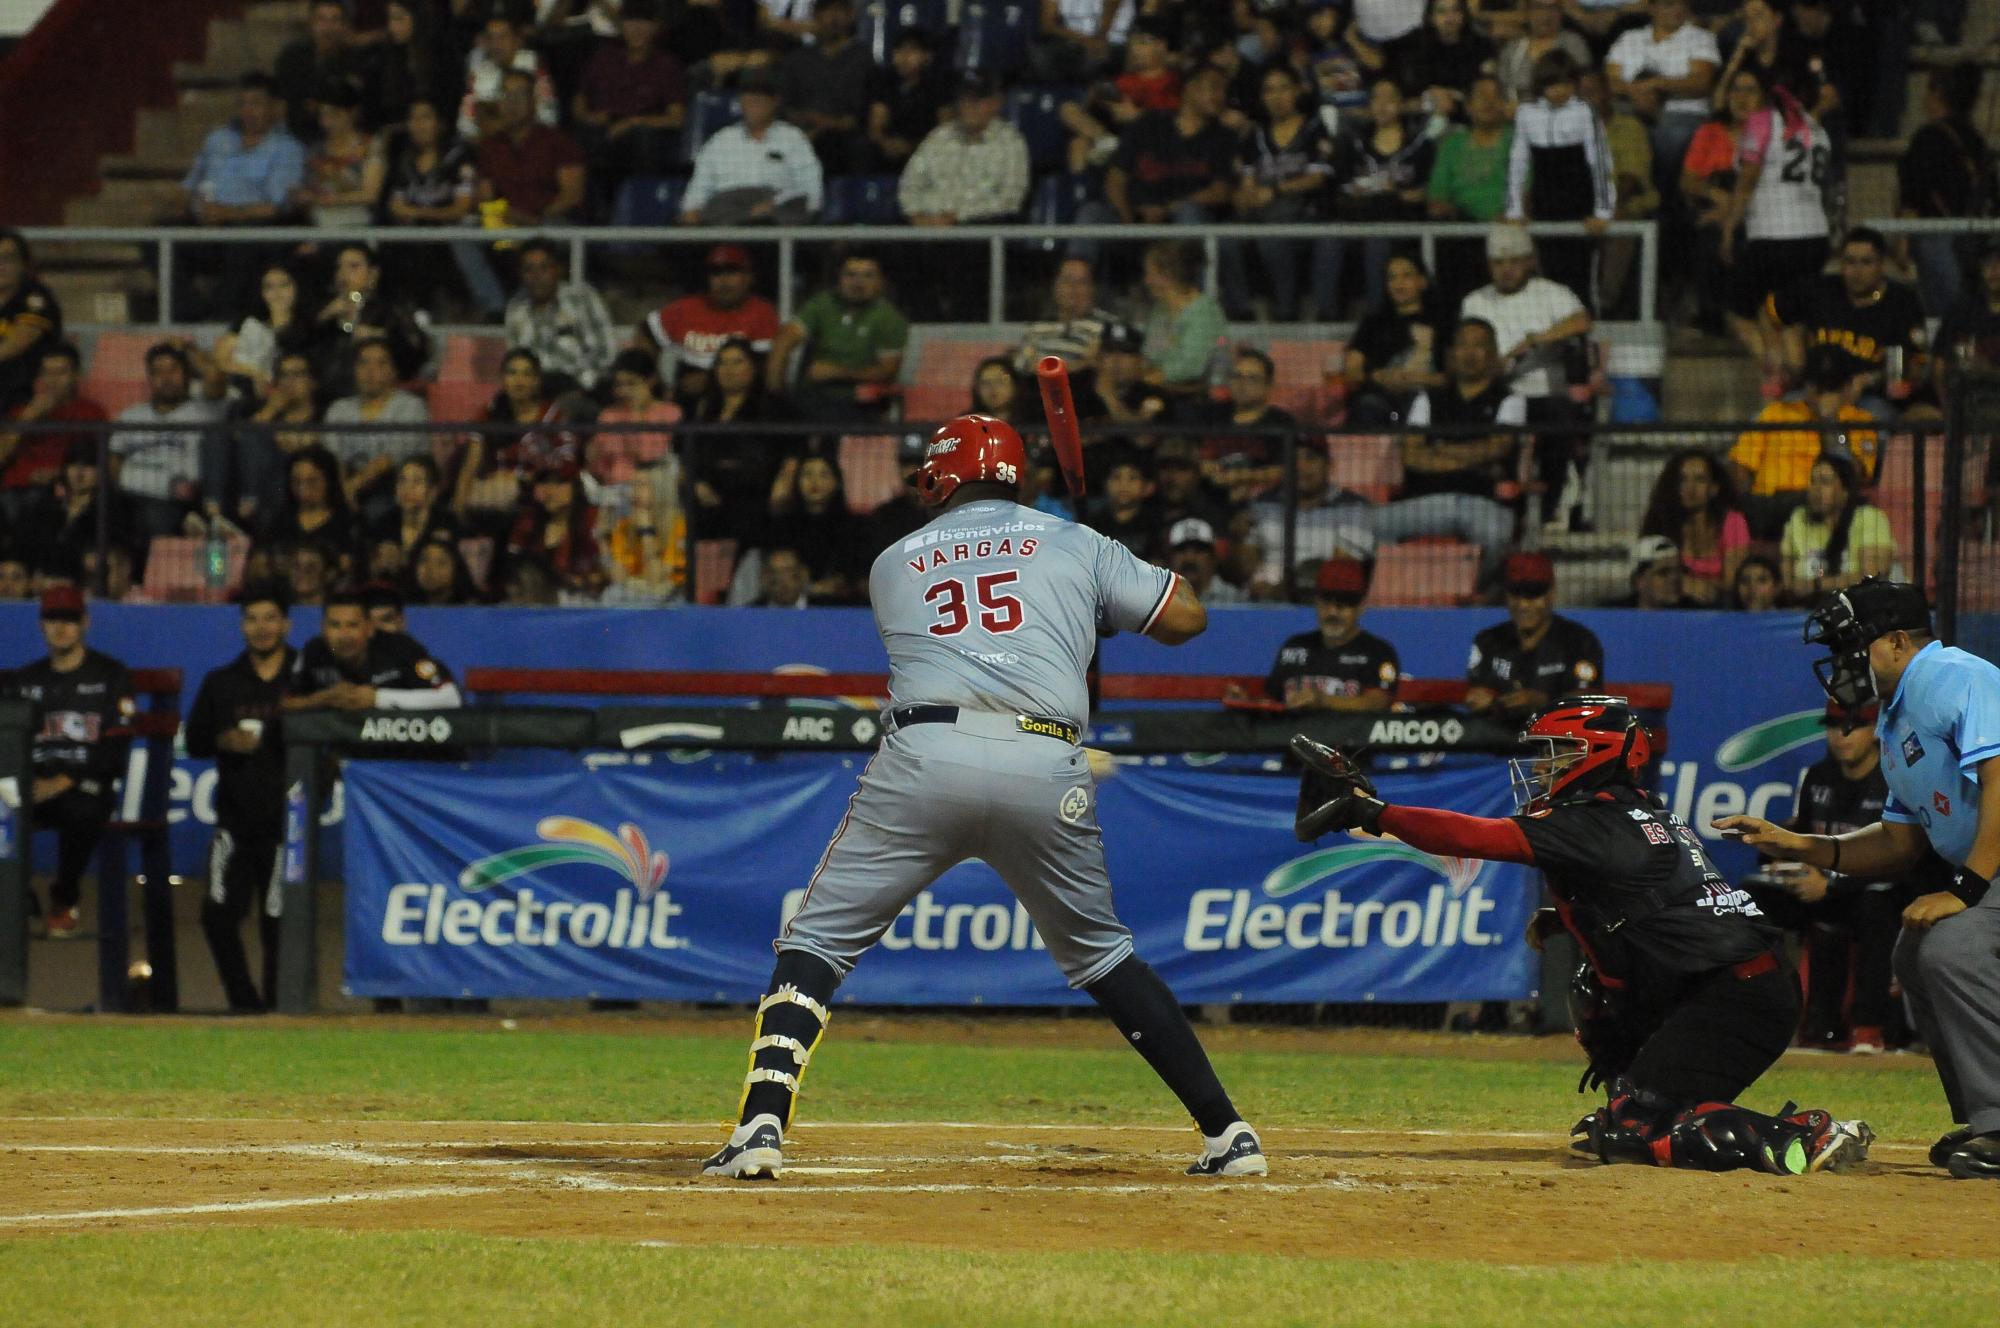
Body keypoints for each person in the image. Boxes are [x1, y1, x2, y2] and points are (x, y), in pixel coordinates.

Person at [700, 413, 1266, 1182]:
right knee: (1104, 956)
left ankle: (760, 1128)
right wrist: (1105, 579)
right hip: (1045, 756)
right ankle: (1228, 1133)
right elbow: (1187, 621)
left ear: (940, 475)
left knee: (819, 942)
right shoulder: (1075, 542)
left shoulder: (892, 560)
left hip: (926, 756)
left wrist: (1083, 588)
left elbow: (979, 611)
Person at [1293, 697, 1873, 1175]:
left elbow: (1475, 837)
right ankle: (1653, 1100)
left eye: (1560, 753)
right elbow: (1654, 910)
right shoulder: (1628, 811)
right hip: (1732, 986)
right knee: (1603, 1029)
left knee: (1633, 1130)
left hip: (1735, 996)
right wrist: (1568, 919)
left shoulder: (1597, 822)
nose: (1544, 767)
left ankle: (1802, 1136)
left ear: (1598, 756)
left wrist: (1374, 812)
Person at [1718, 579, 2000, 1179]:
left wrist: (1965, 890)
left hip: (1989, 870)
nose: (1845, 663)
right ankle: (1987, 1118)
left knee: (1952, 948)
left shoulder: (1958, 676)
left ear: (1897, 642)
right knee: (1915, 951)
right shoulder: (1896, 718)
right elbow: (1899, 843)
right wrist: (1798, 844)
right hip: (1987, 869)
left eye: (1854, 647)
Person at [1743, 700, 1912, 1052]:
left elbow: (1901, 859)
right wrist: (1780, 857)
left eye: (1854, 727)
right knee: (1750, 899)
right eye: (1835, 726)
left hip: (1873, 890)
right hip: (1818, 889)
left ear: (1876, 732)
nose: (1842, 736)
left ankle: (1870, 1026)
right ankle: (1758, 1015)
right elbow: (1805, 838)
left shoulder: (1895, 781)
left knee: (1875, 905)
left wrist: (1832, 885)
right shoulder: (1819, 777)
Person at [183, 585, 296, 1012]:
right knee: (216, 916)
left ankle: (281, 1010)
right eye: (252, 618)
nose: (261, 628)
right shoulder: (221, 682)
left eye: (270, 618)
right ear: (242, 625)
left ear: (286, 623)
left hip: (288, 825)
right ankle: (246, 1007)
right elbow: (194, 743)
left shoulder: (305, 678)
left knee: (279, 922)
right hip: (235, 823)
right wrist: (223, 738)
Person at [7, 585, 134, 939]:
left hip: (84, 785)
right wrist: (23, 784)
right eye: (53, 619)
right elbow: (9, 744)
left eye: (70, 620)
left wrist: (62, 782)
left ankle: (64, 896)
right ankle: (16, 894)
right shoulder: (26, 680)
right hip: (33, 786)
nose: (61, 628)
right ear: (41, 625)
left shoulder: (111, 674)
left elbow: (115, 748)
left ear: (85, 623)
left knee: (82, 810)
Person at [1378, 316, 1524, 584]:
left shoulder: (1510, 399)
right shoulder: (1427, 399)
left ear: (1493, 354)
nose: (1469, 353)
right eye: (1463, 345)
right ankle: (1395, 594)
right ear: (1451, 353)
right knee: (1364, 527)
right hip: (1424, 502)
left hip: (1480, 502)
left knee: (1496, 537)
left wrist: (1439, 449)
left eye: (1479, 346)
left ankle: (1474, 593)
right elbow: (1412, 456)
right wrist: (1474, 460)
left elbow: (1498, 448)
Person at [1717, 72, 1833, 377]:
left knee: (1739, 311)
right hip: (1815, 237)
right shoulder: (1818, 129)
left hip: (1774, 236)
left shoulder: (1763, 122)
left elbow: (1747, 181)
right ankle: (1798, 385)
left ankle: (1775, 373)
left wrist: (1729, 229)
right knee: (1788, 317)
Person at [176, 75, 308, 319]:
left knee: (245, 239)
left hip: (251, 230)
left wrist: (229, 213)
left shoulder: (287, 148)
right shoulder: (218, 139)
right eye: (243, 104)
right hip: (208, 226)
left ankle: (222, 316)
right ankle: (190, 312)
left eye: (256, 103)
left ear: (276, 107)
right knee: (161, 236)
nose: (248, 111)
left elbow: (276, 207)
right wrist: (195, 209)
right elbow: (190, 185)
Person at [1222, 63, 1339, 323]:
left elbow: (1318, 177)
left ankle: (1286, 310)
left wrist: (1275, 190)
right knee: (1226, 237)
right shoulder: (1256, 135)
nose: (1277, 97)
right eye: (1269, 91)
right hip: (1263, 214)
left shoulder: (1314, 129)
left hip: (1304, 213)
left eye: (1284, 88)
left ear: (1297, 91)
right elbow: (1248, 180)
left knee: (1272, 238)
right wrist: (1245, 195)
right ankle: (1242, 311)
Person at [1767, 227, 1929, 414]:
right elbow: (1769, 311)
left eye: (1866, 262)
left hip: (1870, 400)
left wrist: (1871, 379)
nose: (1857, 271)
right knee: (1770, 420)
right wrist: (1775, 351)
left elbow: (1917, 366)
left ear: (1882, 264)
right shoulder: (1820, 289)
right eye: (1850, 262)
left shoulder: (1902, 302)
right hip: (1813, 393)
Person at [1503, 51, 1613, 310]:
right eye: (1552, 85)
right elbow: (1518, 162)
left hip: (1580, 202)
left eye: (1565, 84)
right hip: (1545, 202)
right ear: (1541, 87)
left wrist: (1602, 211)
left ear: (1574, 85)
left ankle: (1588, 335)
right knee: (1550, 277)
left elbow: (1599, 162)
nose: (1558, 91)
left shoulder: (1584, 112)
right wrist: (1515, 209)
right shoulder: (1527, 114)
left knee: (1583, 277)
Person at [1729, 346, 1878, 534]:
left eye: (1831, 388)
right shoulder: (1776, 412)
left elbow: (1855, 476)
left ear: (1848, 387)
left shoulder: (1860, 421)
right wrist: (1745, 499)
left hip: (1822, 507)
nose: (1821, 395)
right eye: (1816, 386)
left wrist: (1830, 423)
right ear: (1805, 385)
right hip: (1772, 505)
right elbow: (1740, 465)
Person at [1604, 0, 1720, 217]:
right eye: (1668, 4)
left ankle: (1666, 206)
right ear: (1652, 8)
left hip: (1682, 113)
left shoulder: (1699, 38)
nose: (1677, 9)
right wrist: (1638, 92)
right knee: (1620, 132)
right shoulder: (1630, 39)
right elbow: (1610, 80)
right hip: (1631, 111)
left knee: (1670, 136)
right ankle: (1620, 204)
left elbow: (1701, 82)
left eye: (1681, 4)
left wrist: (1657, 85)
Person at [1897, 64, 1995, 319]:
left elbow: (1914, 195)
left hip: (1937, 238)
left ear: (1937, 93)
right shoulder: (1976, 140)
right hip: (1973, 240)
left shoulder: (1928, 138)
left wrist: (1903, 239)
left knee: (1946, 318)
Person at [765, 251, 907, 422]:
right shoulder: (823, 304)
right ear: (839, 278)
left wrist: (836, 372)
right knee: (771, 412)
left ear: (881, 282)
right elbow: (786, 338)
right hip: (813, 395)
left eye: (868, 276)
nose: (858, 282)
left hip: (859, 401)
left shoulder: (889, 317)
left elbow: (887, 371)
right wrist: (776, 391)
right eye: (850, 275)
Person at [109, 343, 228, 541]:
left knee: (155, 517)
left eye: (173, 370)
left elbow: (215, 379)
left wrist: (190, 350)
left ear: (187, 374)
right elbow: (113, 459)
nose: (166, 378)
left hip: (175, 503)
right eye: (158, 372)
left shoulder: (205, 411)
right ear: (150, 378)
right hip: (129, 498)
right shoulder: (132, 416)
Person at [687, 337, 800, 543]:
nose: (729, 369)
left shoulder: (773, 407)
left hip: (755, 496)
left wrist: (785, 479)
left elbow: (794, 446)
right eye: (722, 362)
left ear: (754, 367)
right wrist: (696, 482)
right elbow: (691, 453)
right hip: (709, 497)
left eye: (737, 362)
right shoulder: (705, 409)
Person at [639, 244, 782, 407]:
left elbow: (762, 367)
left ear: (749, 277)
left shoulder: (762, 312)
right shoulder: (685, 308)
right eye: (716, 274)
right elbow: (645, 333)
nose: (723, 280)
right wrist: (654, 379)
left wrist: (712, 380)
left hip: (739, 396)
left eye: (731, 272)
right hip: (683, 394)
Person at [1464, 551, 1603, 717]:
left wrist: (1542, 703)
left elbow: (1586, 704)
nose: (1523, 605)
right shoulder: (1488, 641)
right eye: (1516, 593)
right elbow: (1478, 693)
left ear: (1551, 593)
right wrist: (1485, 700)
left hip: (1556, 737)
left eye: (1534, 594)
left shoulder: (1579, 642)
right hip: (1497, 737)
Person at [679, 67, 823, 225]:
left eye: (760, 98)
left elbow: (811, 192)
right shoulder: (720, 140)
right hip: (727, 216)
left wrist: (775, 205)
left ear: (775, 101)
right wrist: (692, 210)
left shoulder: (793, 138)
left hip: (775, 219)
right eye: (748, 97)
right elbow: (698, 191)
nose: (753, 103)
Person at [571, 1, 687, 196]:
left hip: (640, 137)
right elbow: (580, 99)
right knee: (584, 138)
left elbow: (677, 118)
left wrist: (633, 123)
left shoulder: (666, 65)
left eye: (644, 23)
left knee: (642, 139)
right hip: (601, 131)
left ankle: (641, 203)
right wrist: (587, 117)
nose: (637, 29)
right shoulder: (605, 57)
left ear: (655, 26)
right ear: (622, 25)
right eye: (631, 22)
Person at [285, 588, 462, 713]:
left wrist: (377, 699)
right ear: (323, 628)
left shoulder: (400, 647)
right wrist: (322, 699)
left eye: (353, 625)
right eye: (335, 625)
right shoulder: (316, 651)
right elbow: (286, 702)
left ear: (369, 629)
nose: (344, 635)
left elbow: (450, 697)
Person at [1426, 75, 1517, 309]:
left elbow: (1525, 194)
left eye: (1495, 96)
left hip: (1507, 233)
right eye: (1481, 97)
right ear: (1468, 106)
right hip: (1463, 235)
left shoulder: (1518, 142)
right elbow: (1437, 201)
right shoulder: (1451, 145)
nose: (1488, 102)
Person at [1264, 557, 1399, 711]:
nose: (1333, 612)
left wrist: (1323, 701)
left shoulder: (1378, 652)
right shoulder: (1294, 646)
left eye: (1342, 605)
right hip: (1294, 734)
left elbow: (1377, 703)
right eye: (1326, 603)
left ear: (1361, 607)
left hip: (1352, 735)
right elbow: (1271, 700)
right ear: (1316, 602)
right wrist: (1244, 699)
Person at [1246, 441, 1377, 599]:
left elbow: (1341, 570)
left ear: (1329, 465)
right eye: (1293, 459)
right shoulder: (1263, 503)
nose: (1300, 466)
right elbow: (1245, 567)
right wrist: (1239, 539)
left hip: (1324, 599)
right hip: (1264, 599)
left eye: (1311, 458)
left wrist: (1284, 590)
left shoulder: (1353, 507)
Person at [898, 73, 1032, 227]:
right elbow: (909, 186)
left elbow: (1009, 200)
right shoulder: (938, 137)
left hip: (979, 232)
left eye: (978, 99)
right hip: (927, 228)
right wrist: (917, 216)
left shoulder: (1011, 142)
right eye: (965, 99)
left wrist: (957, 217)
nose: (970, 105)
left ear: (996, 103)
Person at [308, 243, 431, 401]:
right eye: (340, 267)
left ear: (373, 274)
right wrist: (322, 318)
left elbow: (416, 354)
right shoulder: (321, 310)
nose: (343, 273)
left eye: (353, 266)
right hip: (327, 395)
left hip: (382, 395)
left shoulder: (392, 309)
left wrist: (381, 337)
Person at [321, 338, 431, 514]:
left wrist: (350, 489)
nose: (370, 371)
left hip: (394, 486)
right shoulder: (339, 409)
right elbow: (334, 458)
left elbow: (390, 459)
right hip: (346, 486)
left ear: (394, 371)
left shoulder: (411, 407)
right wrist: (342, 493)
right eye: (363, 363)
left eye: (381, 364)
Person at [1, 343, 105, 527]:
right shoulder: (21, 412)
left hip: (66, 490)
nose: (53, 380)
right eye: (47, 373)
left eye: (61, 372)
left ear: (75, 375)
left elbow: (96, 461)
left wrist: (59, 474)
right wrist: (28, 418)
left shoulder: (91, 412)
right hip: (17, 489)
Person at [1344, 253, 1451, 427]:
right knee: (1367, 407)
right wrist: (1377, 377)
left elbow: (1453, 376)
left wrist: (1416, 379)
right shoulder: (1373, 323)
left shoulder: (1443, 322)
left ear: (1422, 281)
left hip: (1428, 398)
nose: (1398, 284)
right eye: (1392, 277)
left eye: (1406, 276)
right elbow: (1352, 370)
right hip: (1381, 401)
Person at [504, 240, 618, 396]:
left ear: (558, 269)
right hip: (538, 392)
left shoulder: (582, 298)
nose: (536, 276)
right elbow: (517, 360)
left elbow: (606, 354)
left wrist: (582, 388)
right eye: (529, 269)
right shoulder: (516, 307)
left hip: (584, 389)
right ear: (520, 274)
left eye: (544, 268)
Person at [476, 69, 588, 228]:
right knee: (465, 231)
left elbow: (571, 197)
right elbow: (485, 195)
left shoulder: (560, 142)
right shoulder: (490, 146)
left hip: (547, 223)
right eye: (506, 95)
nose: (511, 103)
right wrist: (504, 216)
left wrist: (534, 221)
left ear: (534, 102)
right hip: (506, 224)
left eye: (519, 96)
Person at [1779, 454, 1896, 602]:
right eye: (1813, 481)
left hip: (1864, 608)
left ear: (1845, 491)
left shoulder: (1869, 518)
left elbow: (1871, 578)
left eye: (1825, 482)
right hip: (1808, 609)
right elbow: (1788, 583)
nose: (1816, 489)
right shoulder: (1799, 518)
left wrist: (1817, 585)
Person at [1637, 452, 1750, 606]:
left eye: (1700, 480)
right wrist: (1684, 584)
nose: (1690, 488)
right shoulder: (1662, 521)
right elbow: (1650, 576)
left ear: (1714, 488)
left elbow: (1733, 583)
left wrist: (1694, 585)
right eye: (1683, 480)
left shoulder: (1733, 522)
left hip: (1721, 606)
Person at [776, 0, 872, 174]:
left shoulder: (863, 58)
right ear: (815, 15)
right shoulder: (797, 59)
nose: (833, 17)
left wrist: (826, 125)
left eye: (840, 10)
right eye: (827, 10)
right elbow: (785, 107)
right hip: (802, 134)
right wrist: (808, 121)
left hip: (845, 140)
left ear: (851, 15)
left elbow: (861, 114)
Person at [1138, 241, 1228, 396]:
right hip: (1158, 391)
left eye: (1150, 274)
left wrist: (1157, 376)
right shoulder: (1161, 311)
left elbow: (1192, 366)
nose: (1146, 281)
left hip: (1195, 396)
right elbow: (1151, 353)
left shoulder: (1204, 312)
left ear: (1168, 275)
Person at [456, 12, 558, 142]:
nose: (496, 44)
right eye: (491, 38)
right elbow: (465, 126)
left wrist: (495, 117)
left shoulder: (533, 63)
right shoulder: (479, 73)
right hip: (490, 144)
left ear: (517, 40)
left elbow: (548, 116)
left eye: (502, 37)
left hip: (532, 142)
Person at [508, 464, 605, 600]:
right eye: (544, 483)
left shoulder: (592, 519)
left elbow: (603, 571)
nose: (550, 491)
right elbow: (514, 571)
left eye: (559, 483)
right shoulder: (528, 522)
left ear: (576, 487)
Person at [299, 77, 386, 229]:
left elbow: (370, 194)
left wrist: (335, 199)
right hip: (318, 224)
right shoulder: (315, 150)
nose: (327, 123)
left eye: (334, 115)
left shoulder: (370, 146)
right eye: (323, 116)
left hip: (356, 223)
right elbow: (308, 189)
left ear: (352, 112)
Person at [275, 0, 367, 142]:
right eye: (321, 19)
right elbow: (289, 102)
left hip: (342, 137)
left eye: (334, 20)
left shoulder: (354, 59)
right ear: (311, 23)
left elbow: (354, 106)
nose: (327, 27)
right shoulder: (292, 57)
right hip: (299, 134)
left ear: (343, 25)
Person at [864, 28, 952, 173]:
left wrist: (911, 146)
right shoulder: (884, 82)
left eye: (911, 51)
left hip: (924, 148)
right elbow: (876, 127)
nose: (904, 57)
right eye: (899, 51)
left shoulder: (939, 87)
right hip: (889, 148)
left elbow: (945, 129)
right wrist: (886, 143)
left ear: (927, 56)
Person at [591, 348, 679, 494]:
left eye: (631, 384)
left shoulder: (671, 413)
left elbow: (650, 458)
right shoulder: (608, 416)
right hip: (616, 491)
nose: (624, 391)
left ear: (651, 381)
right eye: (619, 385)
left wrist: (638, 414)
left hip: (656, 493)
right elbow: (599, 466)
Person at [1013, 258, 1117, 380]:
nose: (1074, 288)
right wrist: (1078, 366)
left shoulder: (1107, 326)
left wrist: (1044, 369)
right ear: (1055, 288)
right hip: (1038, 391)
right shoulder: (1038, 328)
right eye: (1067, 281)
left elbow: (1097, 368)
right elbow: (1021, 366)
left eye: (1082, 282)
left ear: (1092, 288)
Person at [0, 228, 63, 415]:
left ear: (23, 264)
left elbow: (18, 342)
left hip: (22, 394)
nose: (1, 266)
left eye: (8, 259)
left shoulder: (35, 297)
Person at [1934, 238, 2000, 403]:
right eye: (1988, 262)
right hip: (1963, 405)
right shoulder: (1961, 312)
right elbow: (1939, 364)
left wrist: (1990, 371)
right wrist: (1946, 408)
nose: (1994, 270)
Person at [1495, 0, 1590, 105]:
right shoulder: (1512, 50)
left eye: (1553, 8)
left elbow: (1586, 88)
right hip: (1520, 116)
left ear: (1561, 12)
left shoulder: (1574, 44)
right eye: (1538, 8)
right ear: (1527, 12)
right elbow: (1502, 92)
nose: (1546, 15)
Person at [1164, 517, 1244, 606]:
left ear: (1213, 558)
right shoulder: (1158, 599)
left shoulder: (1233, 598)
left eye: (1199, 550)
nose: (1189, 558)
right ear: (1170, 558)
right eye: (1181, 550)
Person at [1613, 533, 1703, 609]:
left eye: (1678, 570)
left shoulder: (1695, 613)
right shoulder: (1614, 614)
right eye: (1663, 572)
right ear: (1639, 580)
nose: (1674, 578)